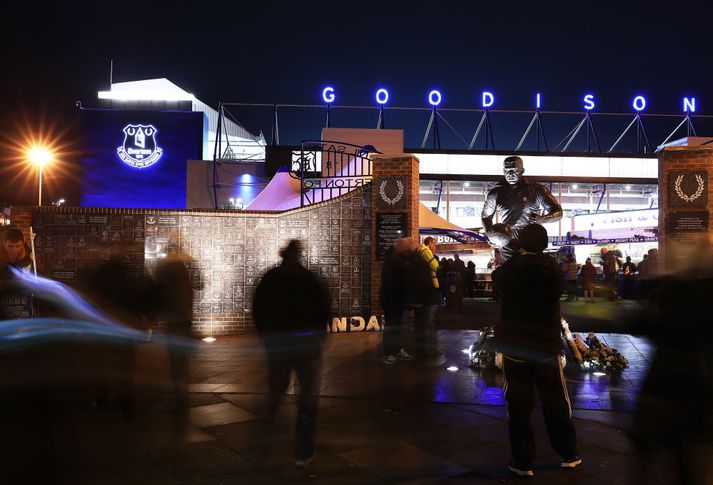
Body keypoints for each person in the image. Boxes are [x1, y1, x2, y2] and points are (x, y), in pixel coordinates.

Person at [492, 223, 580, 478]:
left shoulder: (510, 269)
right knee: (556, 401)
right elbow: (559, 289)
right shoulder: (553, 268)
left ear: (521, 244)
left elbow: (498, 282)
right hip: (546, 346)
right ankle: (568, 453)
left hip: (515, 346)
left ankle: (522, 461)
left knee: (518, 406)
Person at [252, 240, 331, 467]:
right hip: (306, 345)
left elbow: (258, 308)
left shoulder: (270, 277)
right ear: (299, 255)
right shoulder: (309, 277)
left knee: (276, 388)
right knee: (306, 395)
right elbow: (323, 309)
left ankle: (268, 432)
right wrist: (319, 335)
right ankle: (303, 452)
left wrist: (266, 335)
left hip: (277, 342)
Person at [481, 156, 562, 263]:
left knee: (531, 272)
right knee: (510, 272)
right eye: (506, 170)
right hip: (508, 238)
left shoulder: (537, 189)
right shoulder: (496, 192)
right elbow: (486, 216)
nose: (510, 174)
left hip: (531, 237)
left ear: (522, 170)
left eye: (514, 170)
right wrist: (490, 234)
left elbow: (558, 212)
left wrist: (542, 219)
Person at [151, 253, 199, 414]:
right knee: (182, 362)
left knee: (176, 363)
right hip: (184, 321)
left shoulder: (168, 272)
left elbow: (159, 294)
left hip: (174, 322)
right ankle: (181, 397)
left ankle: (179, 398)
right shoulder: (184, 273)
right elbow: (198, 286)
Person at [379, 238, 416, 365]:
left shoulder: (398, 257)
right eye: (407, 249)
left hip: (397, 298)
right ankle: (388, 353)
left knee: (398, 326)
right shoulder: (392, 259)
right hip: (391, 299)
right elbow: (394, 281)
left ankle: (397, 349)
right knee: (391, 326)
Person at [414, 237, 444, 365]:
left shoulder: (420, 253)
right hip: (429, 289)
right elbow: (435, 265)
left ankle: (424, 349)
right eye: (434, 244)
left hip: (425, 290)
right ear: (430, 242)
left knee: (425, 320)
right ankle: (427, 350)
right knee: (428, 321)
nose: (435, 247)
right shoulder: (425, 251)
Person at [1, 228, 35, 319]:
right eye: (10, 246)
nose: (14, 250)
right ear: (4, 243)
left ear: (23, 243)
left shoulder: (32, 259)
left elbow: (39, 278)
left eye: (17, 246)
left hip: (24, 310)